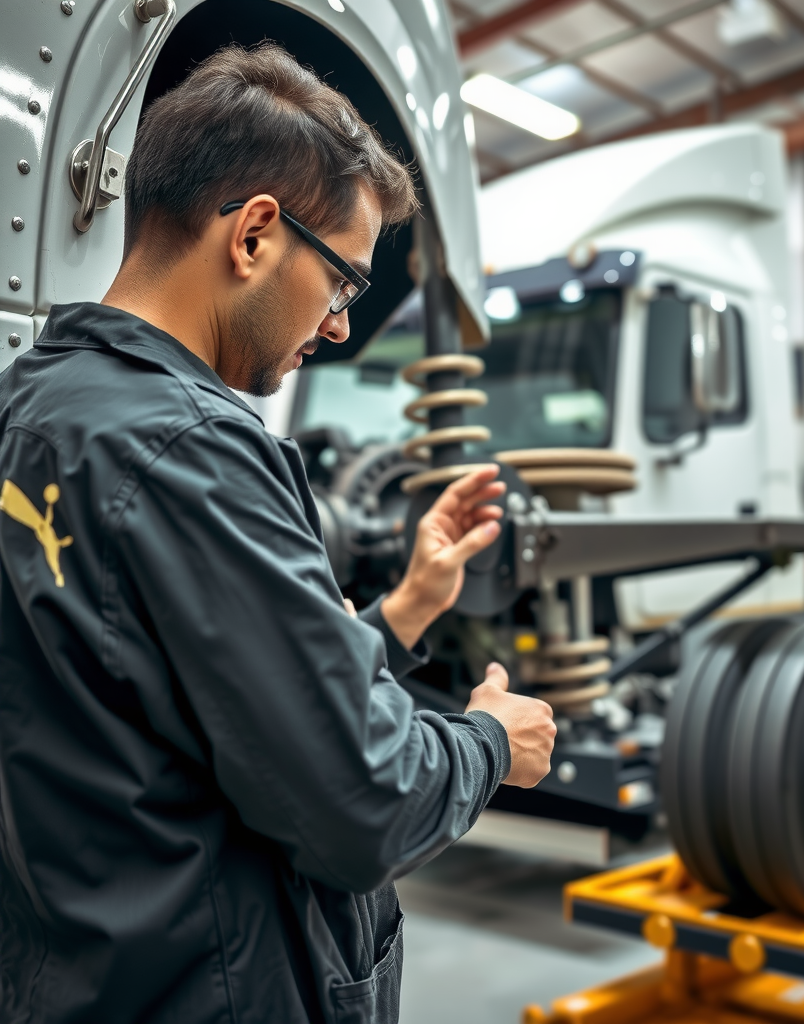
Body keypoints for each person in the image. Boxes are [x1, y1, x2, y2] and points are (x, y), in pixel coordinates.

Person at [0, 43, 555, 1024]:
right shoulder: (193, 448)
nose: (340, 325)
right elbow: (357, 801)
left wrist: (403, 611)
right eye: (343, 281)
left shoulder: (36, 408)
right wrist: (486, 744)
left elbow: (178, 697)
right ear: (255, 234)